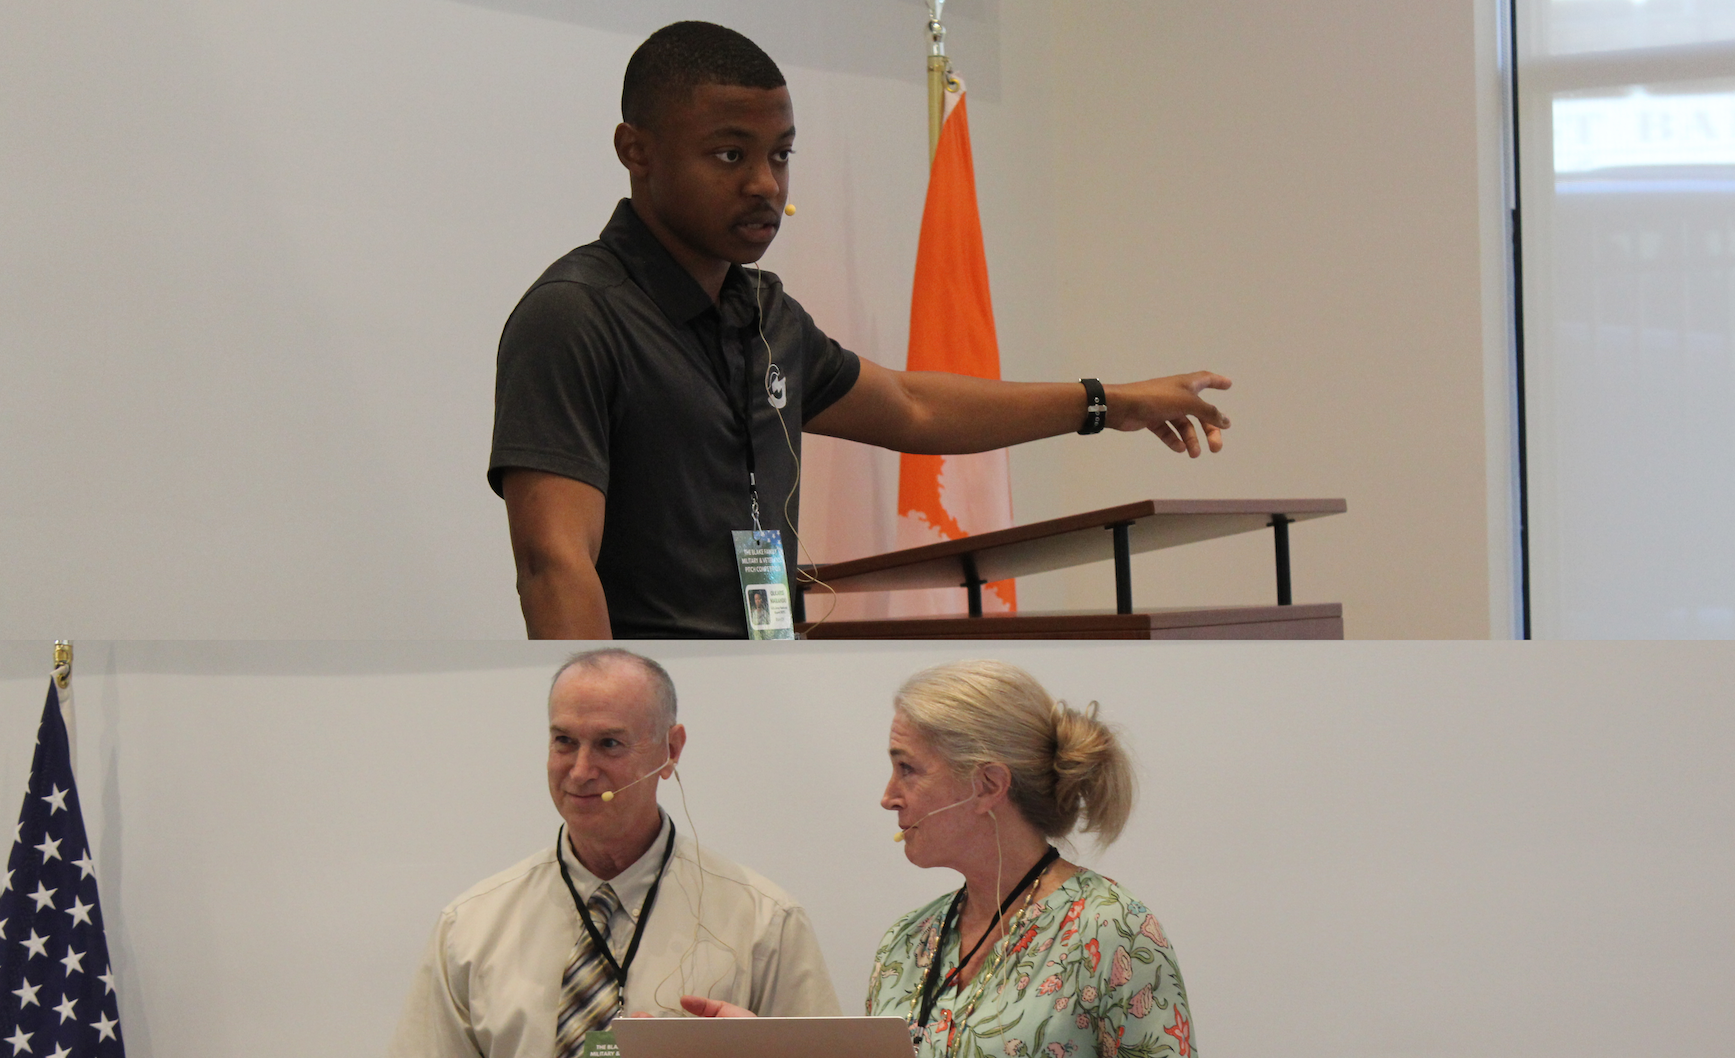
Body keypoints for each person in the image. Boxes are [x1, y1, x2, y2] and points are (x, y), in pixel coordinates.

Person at [491, 21, 1235, 639]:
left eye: (781, 155)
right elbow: (553, 563)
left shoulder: (765, 315)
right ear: (636, 151)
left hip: (772, 684)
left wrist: (1107, 403)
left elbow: (912, 406)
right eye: (730, 154)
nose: (766, 185)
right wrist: (610, 730)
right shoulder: (576, 315)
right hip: (657, 714)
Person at [684, 660, 1211, 1058]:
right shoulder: (907, 944)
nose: (887, 796)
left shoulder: (1110, 929)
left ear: (987, 784)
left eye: (907, 768)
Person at [374, 648, 843, 1058]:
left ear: (671, 750)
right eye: (563, 742)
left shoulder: (760, 922)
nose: (580, 770)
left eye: (610, 745)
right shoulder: (472, 926)